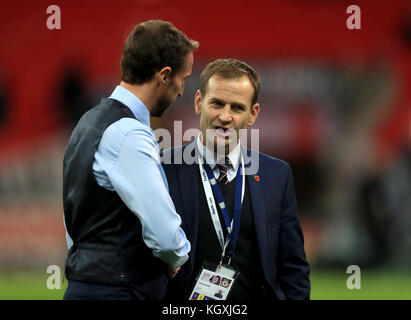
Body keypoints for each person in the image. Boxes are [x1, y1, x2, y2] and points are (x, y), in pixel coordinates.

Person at [62, 20, 198, 300]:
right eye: (183, 80)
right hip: (120, 289)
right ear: (164, 76)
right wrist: (177, 257)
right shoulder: (129, 133)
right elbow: (163, 231)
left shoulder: (88, 122)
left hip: (85, 283)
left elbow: (75, 216)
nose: (182, 90)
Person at [162, 58, 310, 300]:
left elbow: (293, 269)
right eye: (217, 104)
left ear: (253, 114)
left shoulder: (277, 175)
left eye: (237, 108)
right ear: (199, 102)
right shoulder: (164, 168)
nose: (225, 116)